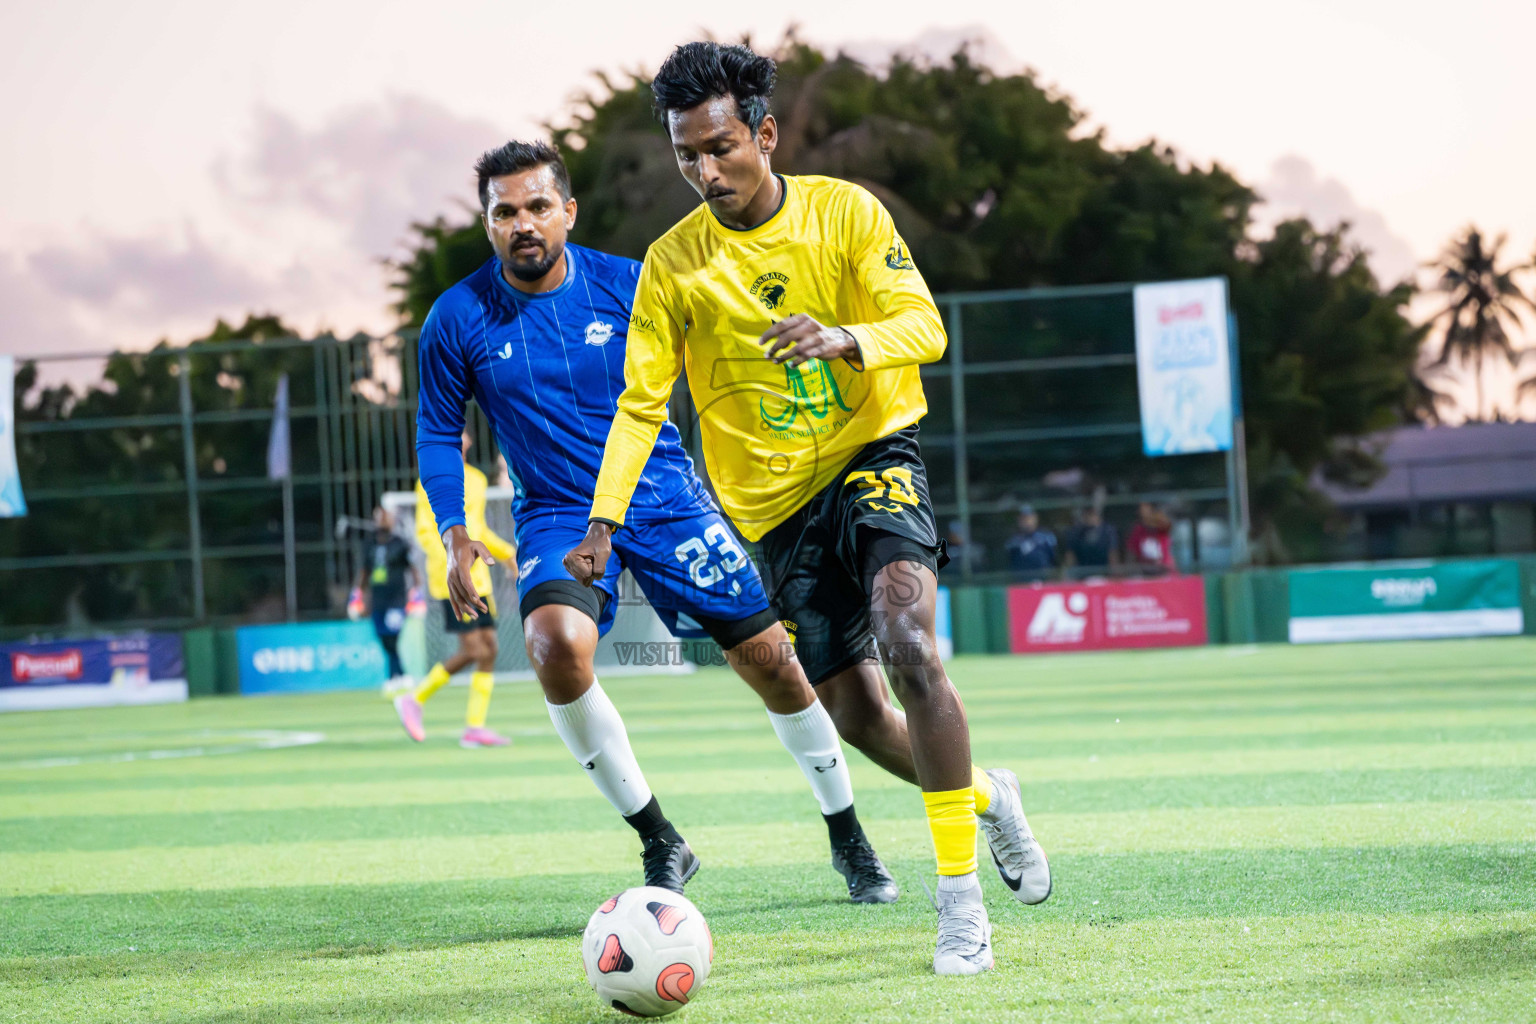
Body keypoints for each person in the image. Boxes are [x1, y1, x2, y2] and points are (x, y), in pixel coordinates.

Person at [564, 42, 1049, 975]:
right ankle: (989, 796)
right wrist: (602, 522)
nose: (705, 172)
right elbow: (639, 403)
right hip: (773, 513)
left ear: (766, 134)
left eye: (720, 148)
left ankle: (959, 904)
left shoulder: (846, 213)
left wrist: (843, 338)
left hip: (873, 454)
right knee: (862, 718)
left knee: (908, 635)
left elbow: (926, 327)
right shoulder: (673, 266)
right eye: (686, 156)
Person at [414, 139, 896, 902]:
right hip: (560, 517)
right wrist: (454, 531)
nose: (523, 224)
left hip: (665, 495)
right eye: (504, 213)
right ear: (488, 225)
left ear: (568, 212)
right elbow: (440, 433)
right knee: (552, 646)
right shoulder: (457, 318)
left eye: (539, 207)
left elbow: (723, 357)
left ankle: (849, 836)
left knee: (774, 665)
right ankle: (660, 840)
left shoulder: (632, 284)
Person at [393, 432, 515, 748]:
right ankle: (414, 698)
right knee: (474, 650)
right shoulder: (430, 480)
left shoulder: (475, 479)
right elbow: (425, 530)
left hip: (481, 580)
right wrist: (453, 563)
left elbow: (480, 528)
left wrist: (505, 554)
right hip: (452, 578)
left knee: (489, 649)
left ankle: (474, 727)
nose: (462, 438)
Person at [349, 505, 420, 689]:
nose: (382, 520)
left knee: (392, 637)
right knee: (383, 637)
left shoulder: (400, 543)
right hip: (377, 601)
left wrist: (416, 593)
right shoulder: (370, 544)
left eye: (385, 516)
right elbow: (364, 572)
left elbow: (413, 570)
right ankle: (397, 677)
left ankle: (397, 676)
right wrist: (357, 596)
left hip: (396, 599)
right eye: (378, 516)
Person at [1063, 505, 1120, 574]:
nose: (1089, 518)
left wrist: (1115, 574)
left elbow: (1112, 554)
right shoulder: (1076, 532)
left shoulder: (1108, 531)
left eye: (1092, 514)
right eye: (1086, 515)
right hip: (1082, 573)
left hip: (1103, 572)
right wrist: (1067, 574)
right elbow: (1070, 556)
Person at [1005, 504, 1057, 576]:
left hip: (1044, 580)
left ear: (1035, 518)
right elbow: (1010, 560)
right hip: (1022, 581)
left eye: (1029, 518)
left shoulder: (1046, 536)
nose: (1027, 521)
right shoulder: (1014, 540)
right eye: (1023, 519)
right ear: (1019, 521)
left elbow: (1053, 559)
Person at [1128, 501, 1175, 571]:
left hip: (1164, 568)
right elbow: (1132, 552)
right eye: (1141, 508)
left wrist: (1151, 519)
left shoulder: (1160, 524)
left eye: (1146, 507)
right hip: (1146, 570)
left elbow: (1167, 524)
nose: (1143, 511)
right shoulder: (1138, 530)